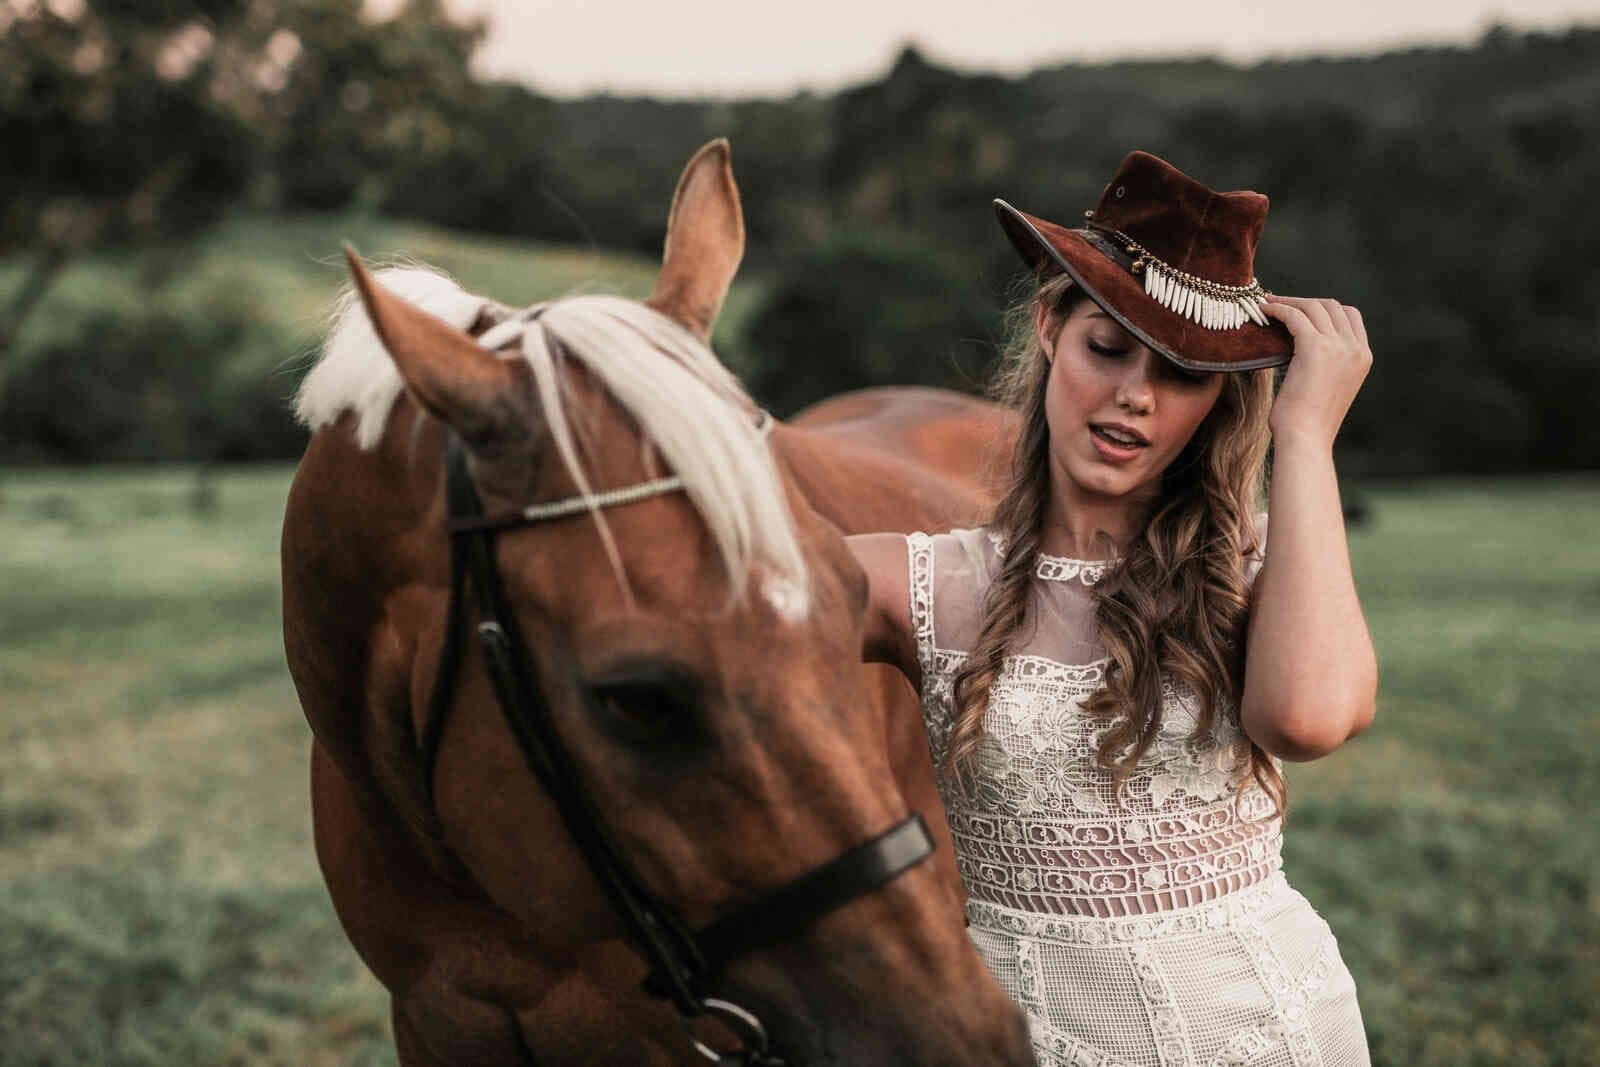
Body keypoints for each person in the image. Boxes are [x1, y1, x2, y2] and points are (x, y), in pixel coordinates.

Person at [848, 151, 1377, 1066]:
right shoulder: (918, 584)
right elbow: (706, 591)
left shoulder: (1251, 567)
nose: (1135, 393)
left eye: (1182, 374)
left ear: (1217, 401)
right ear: (1051, 325)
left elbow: (1309, 716)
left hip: (1274, 1031)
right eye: (1109, 346)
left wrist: (1303, 434)